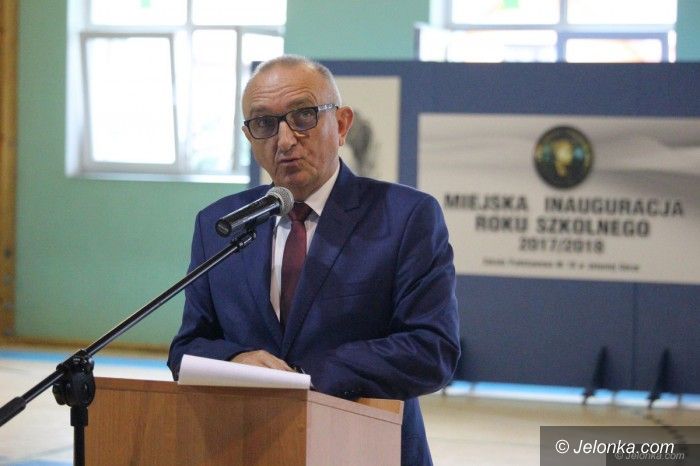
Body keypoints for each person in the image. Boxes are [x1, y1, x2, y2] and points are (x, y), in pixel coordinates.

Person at [167, 55, 460, 466]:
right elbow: (187, 347)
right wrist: (236, 360)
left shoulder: (406, 217)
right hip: (249, 448)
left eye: (303, 116)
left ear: (341, 124)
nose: (285, 140)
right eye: (264, 123)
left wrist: (306, 375)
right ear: (249, 137)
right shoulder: (220, 224)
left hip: (366, 448)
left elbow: (432, 350)